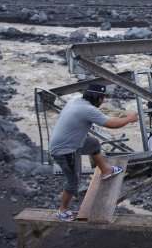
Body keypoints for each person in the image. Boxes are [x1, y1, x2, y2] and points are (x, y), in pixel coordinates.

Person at [48, 83, 138, 221]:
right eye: (103, 98)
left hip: (70, 141)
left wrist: (80, 131)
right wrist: (129, 119)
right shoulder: (89, 110)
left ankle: (105, 171)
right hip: (65, 150)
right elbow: (112, 124)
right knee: (73, 182)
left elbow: (65, 116)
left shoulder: (74, 101)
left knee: (94, 143)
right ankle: (63, 209)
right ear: (100, 99)